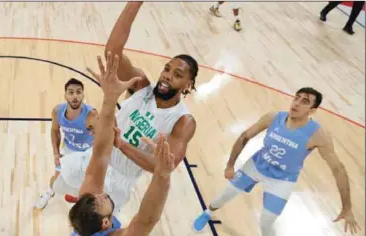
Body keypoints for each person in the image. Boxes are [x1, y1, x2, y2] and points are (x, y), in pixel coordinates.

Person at [54, 1, 198, 211]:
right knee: (59, 179)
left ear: (188, 84)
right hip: (94, 157)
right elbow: (113, 51)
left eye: (177, 75)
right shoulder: (140, 85)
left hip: (118, 181)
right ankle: (52, 192)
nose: (167, 76)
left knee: (87, 222)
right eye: (167, 69)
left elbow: (161, 168)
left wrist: (121, 144)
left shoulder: (183, 121)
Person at [192, 87, 360, 235]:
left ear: (312, 110)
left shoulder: (317, 134)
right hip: (256, 166)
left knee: (266, 221)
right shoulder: (274, 117)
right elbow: (245, 136)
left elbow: (338, 169)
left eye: (305, 101)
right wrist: (230, 165)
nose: (297, 103)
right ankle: (207, 212)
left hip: (282, 180)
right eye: (297, 97)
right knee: (223, 196)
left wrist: (347, 207)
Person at [69, 51, 176, 236]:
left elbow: (100, 152)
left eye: (97, 196)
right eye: (101, 199)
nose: (101, 193)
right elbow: (146, 220)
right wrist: (162, 176)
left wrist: (110, 99)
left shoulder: (89, 209)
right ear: (105, 223)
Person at [34, 78, 98, 209]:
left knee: (90, 182)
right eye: (71, 92)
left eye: (78, 92)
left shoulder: (91, 114)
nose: (75, 96)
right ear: (65, 95)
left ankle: (90, 205)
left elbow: (100, 135)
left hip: (87, 152)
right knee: (57, 177)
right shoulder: (57, 111)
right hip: (69, 149)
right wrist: (56, 153)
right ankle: (49, 193)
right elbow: (54, 131)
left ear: (83, 95)